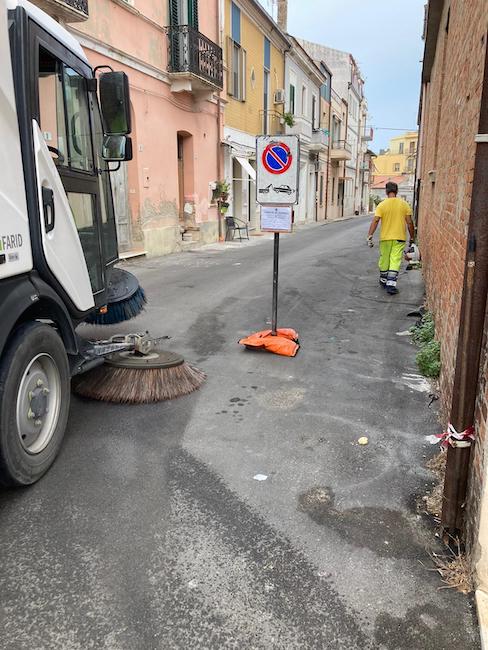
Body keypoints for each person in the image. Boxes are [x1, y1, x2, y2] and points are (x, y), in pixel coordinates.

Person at [366, 182, 415, 294]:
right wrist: (412, 237)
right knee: (395, 259)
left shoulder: (382, 205)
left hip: (385, 238)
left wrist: (370, 235)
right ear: (396, 191)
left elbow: (376, 220)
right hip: (399, 238)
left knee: (384, 259)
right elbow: (409, 222)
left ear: (386, 191)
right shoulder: (404, 204)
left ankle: (383, 280)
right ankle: (391, 285)